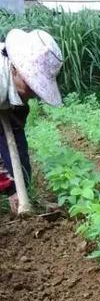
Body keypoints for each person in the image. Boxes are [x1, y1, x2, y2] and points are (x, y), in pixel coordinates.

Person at [0, 29, 63, 213]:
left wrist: (23, 188)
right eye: (31, 83)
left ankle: (26, 198)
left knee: (19, 152)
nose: (35, 92)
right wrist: (9, 186)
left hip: (7, 98)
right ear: (14, 69)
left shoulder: (18, 94)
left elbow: (16, 144)